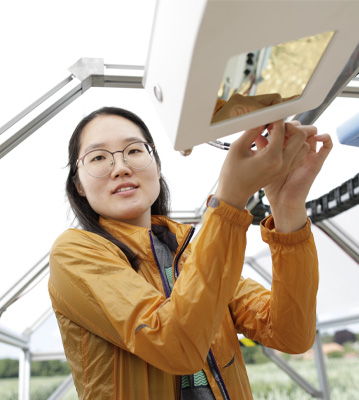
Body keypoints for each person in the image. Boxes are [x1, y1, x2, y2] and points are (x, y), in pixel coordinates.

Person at [48, 94, 333, 399]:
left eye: (133, 150)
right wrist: (230, 200)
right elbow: (174, 345)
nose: (120, 167)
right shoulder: (74, 253)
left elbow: (292, 334)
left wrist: (287, 209)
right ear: (78, 185)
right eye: (98, 158)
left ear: (156, 166)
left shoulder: (193, 255)